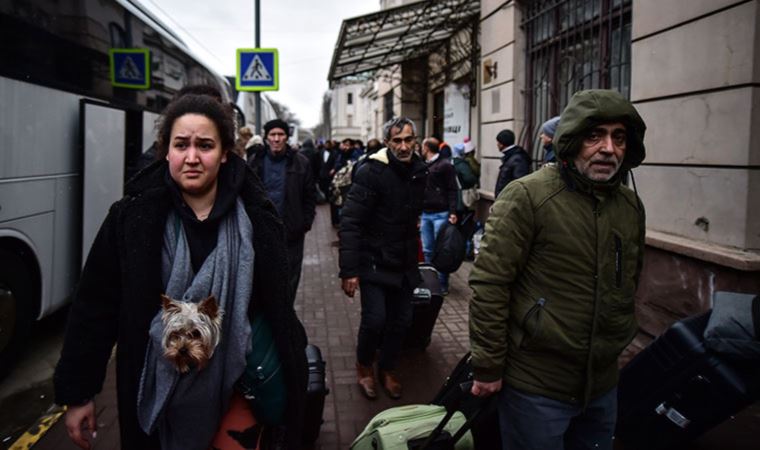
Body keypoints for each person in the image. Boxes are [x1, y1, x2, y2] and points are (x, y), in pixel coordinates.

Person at [54, 93, 308, 450]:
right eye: (181, 145)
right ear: (166, 151)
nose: (191, 157)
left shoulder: (258, 219)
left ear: (224, 153)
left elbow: (277, 311)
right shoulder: (132, 218)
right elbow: (95, 304)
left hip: (238, 389)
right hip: (154, 390)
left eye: (205, 145)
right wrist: (78, 393)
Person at [468, 89, 647, 450]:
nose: (608, 148)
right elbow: (490, 284)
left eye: (619, 137)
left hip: (602, 385)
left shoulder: (629, 204)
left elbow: (629, 278)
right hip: (536, 387)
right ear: (570, 140)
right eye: (594, 135)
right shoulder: (528, 197)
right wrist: (488, 366)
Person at [339, 117, 428, 400]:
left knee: (401, 321)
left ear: (416, 140)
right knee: (375, 320)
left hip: (404, 262)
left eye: (408, 140)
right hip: (374, 260)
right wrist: (349, 270)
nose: (403, 146)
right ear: (388, 143)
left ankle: (387, 368)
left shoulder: (420, 171)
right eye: (397, 141)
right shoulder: (371, 172)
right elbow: (351, 221)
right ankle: (364, 367)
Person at [248, 119, 316, 305]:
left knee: (289, 281)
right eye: (273, 135)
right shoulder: (256, 162)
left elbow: (310, 196)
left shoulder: (301, 163)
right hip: (262, 233)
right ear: (266, 137)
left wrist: (305, 222)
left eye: (281, 135)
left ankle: (285, 319)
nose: (277, 139)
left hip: (291, 233)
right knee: (262, 280)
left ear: (287, 137)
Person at [420, 137, 458, 295]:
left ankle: (442, 284)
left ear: (427, 148)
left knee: (442, 251)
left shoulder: (445, 165)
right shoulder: (423, 165)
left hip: (441, 214)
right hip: (425, 213)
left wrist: (453, 212)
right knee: (427, 250)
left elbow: (452, 189)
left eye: (422, 146)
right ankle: (430, 283)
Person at [494, 129, 531, 197]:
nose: (497, 145)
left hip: (509, 202)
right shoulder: (510, 156)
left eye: (498, 142)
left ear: (501, 143)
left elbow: (519, 185)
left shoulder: (518, 158)